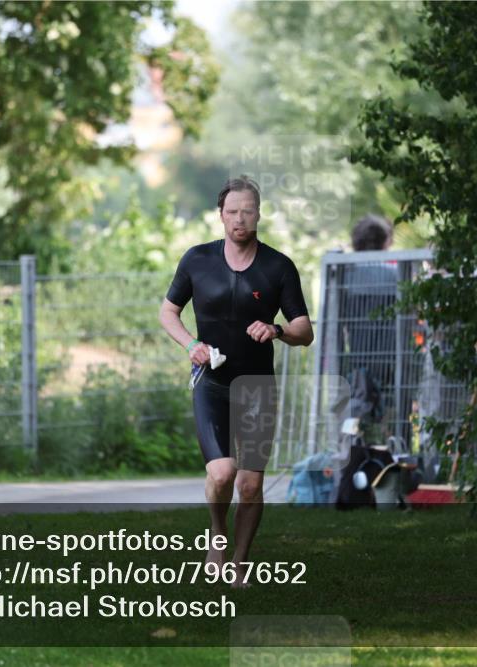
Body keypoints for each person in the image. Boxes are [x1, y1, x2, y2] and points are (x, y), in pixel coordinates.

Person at [158, 175, 314, 587]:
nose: (239, 219)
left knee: (249, 483)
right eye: (232, 212)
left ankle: (240, 563)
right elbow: (167, 313)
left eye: (247, 211)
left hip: (258, 388)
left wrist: (277, 330)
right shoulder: (197, 259)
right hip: (211, 384)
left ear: (258, 214)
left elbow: (305, 330)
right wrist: (190, 343)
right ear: (220, 215)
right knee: (223, 474)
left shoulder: (278, 267)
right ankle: (217, 535)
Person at [339, 215, 400, 440]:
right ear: (385, 242)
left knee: (354, 412)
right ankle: (389, 456)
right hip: (391, 357)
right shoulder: (396, 275)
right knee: (392, 412)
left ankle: (352, 453)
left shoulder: (346, 274)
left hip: (358, 357)